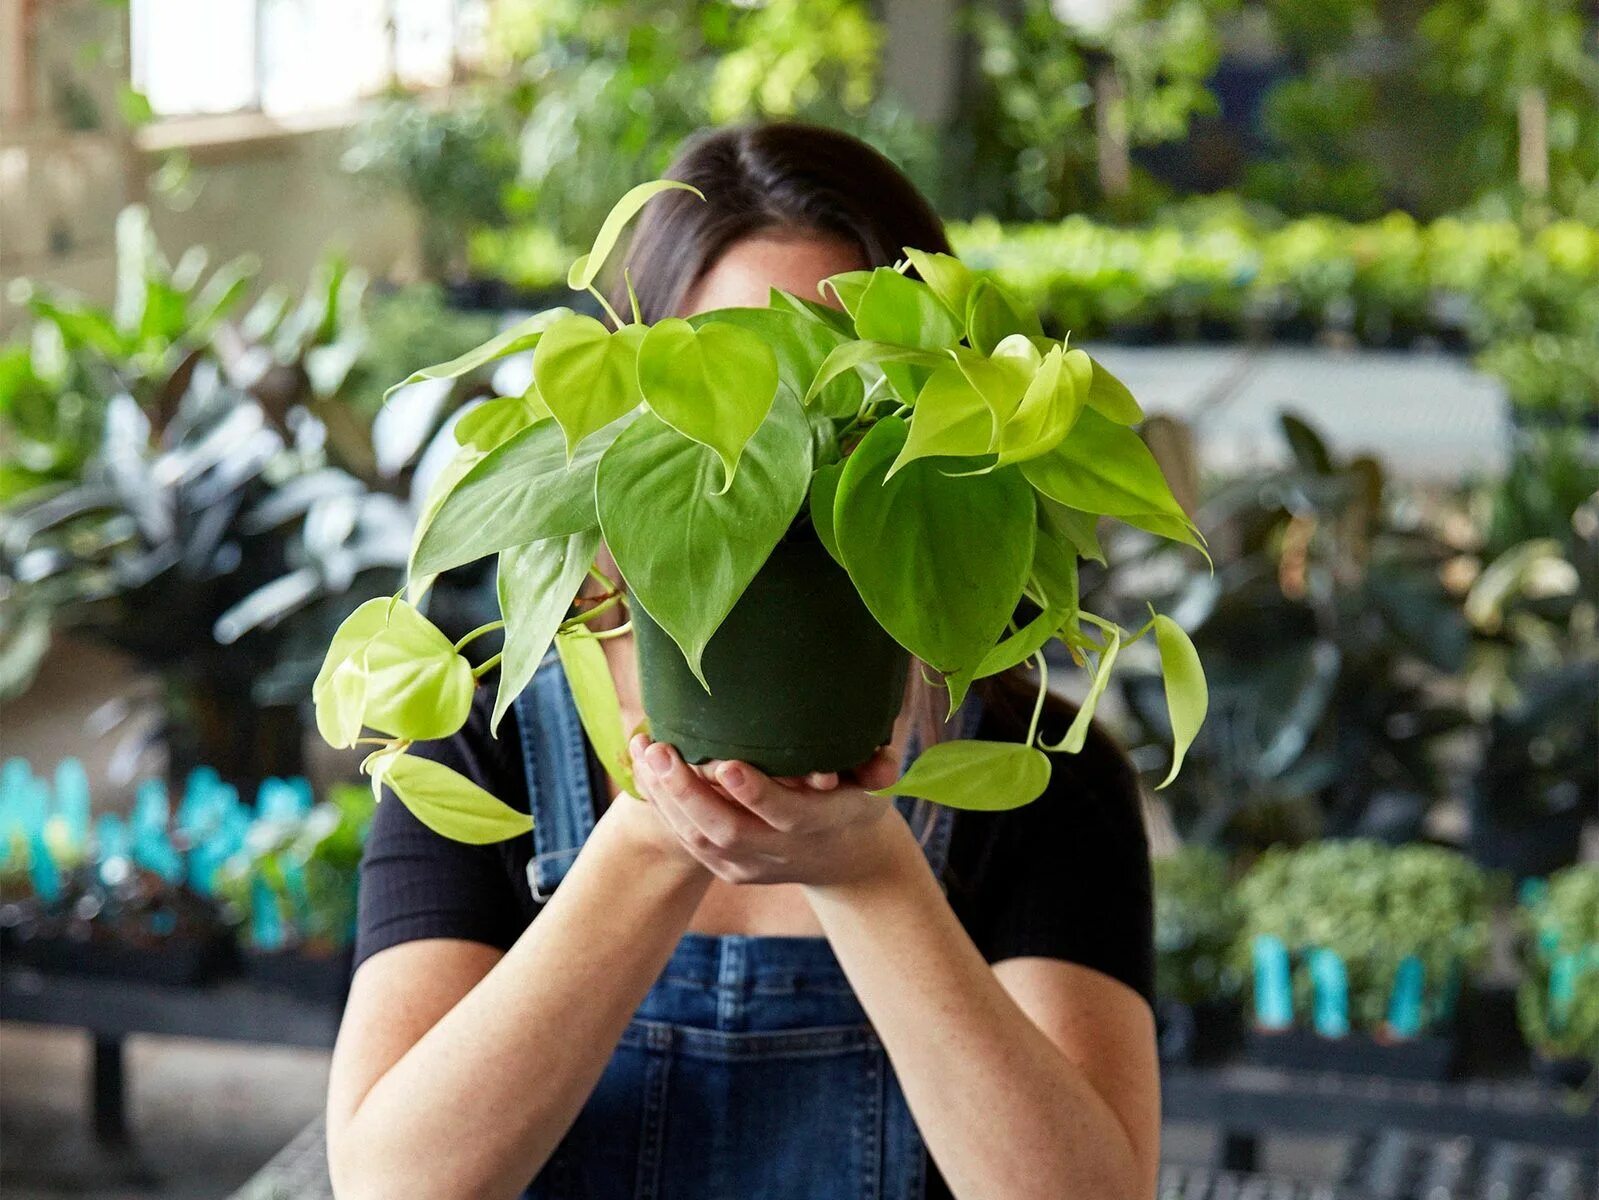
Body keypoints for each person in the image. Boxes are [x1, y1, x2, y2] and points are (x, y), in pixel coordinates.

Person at [326, 121, 1159, 1200]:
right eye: (726, 382)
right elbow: (395, 1187)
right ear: (619, 429)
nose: (782, 453)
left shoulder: (1039, 773)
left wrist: (871, 875)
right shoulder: (484, 750)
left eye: (850, 395)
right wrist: (653, 837)